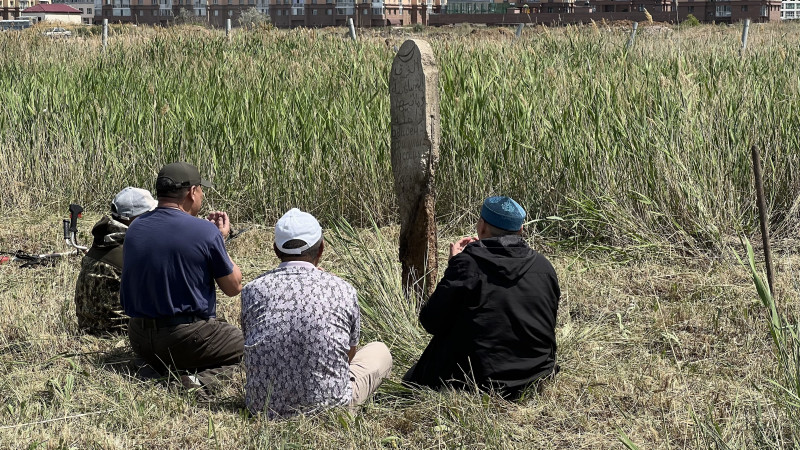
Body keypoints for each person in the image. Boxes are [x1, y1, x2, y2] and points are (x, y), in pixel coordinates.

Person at [403, 196, 560, 399]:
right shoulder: (544, 267)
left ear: (482, 226)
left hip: (481, 381)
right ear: (520, 230)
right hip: (536, 375)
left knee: (410, 380)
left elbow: (431, 321)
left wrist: (455, 265)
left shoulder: (467, 266)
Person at [240, 208, 392, 417]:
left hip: (262, 408)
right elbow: (349, 354)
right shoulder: (343, 289)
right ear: (321, 249)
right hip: (331, 409)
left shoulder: (251, 290)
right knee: (380, 350)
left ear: (276, 250)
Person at [120, 162, 244, 391]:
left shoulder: (135, 227)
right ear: (191, 192)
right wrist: (219, 240)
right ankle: (196, 382)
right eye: (201, 189)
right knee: (254, 350)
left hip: (139, 337)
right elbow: (233, 286)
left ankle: (149, 368)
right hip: (184, 339)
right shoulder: (205, 232)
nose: (203, 195)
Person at [74, 187, 157, 335]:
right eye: (150, 213)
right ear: (132, 218)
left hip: (87, 328)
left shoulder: (103, 239)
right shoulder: (132, 248)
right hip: (120, 331)